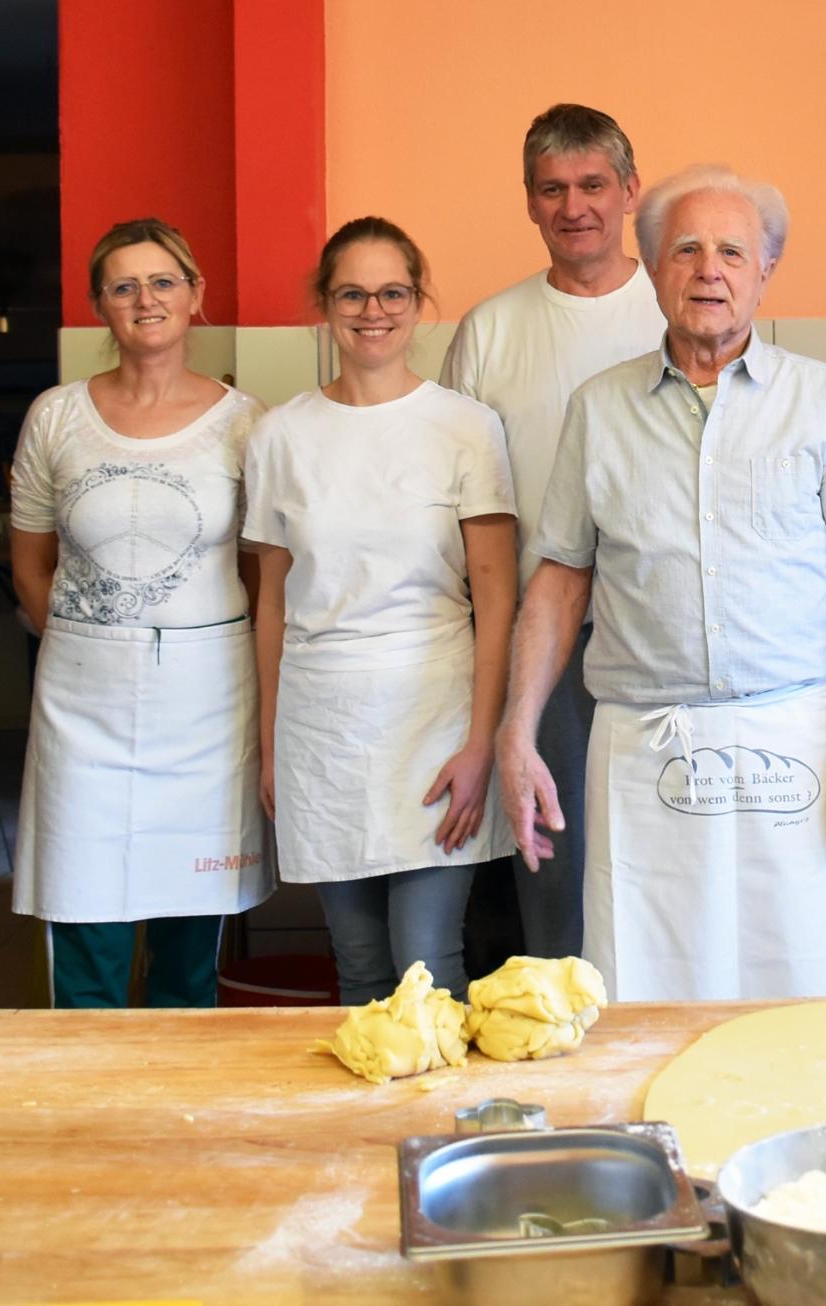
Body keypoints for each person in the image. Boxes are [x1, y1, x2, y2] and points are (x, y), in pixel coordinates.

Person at [497, 165, 826, 1002]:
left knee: (800, 979)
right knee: (649, 982)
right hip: (645, 744)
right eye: (685, 250)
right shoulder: (599, 408)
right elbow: (560, 580)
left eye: (731, 251)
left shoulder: (824, 400)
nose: (708, 270)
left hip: (796, 736)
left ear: (765, 271)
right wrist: (517, 730)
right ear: (652, 271)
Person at [244, 217, 518, 1006]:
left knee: (427, 967)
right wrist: (269, 746)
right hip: (321, 731)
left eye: (393, 291)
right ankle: (372, 1131)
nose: (374, 310)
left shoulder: (465, 425)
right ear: (325, 305)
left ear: (418, 301)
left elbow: (495, 597)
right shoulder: (280, 436)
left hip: (435, 718)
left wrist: (482, 743)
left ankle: (446, 1128)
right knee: (358, 968)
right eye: (353, 293)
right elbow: (272, 605)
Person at [9, 217, 273, 1008]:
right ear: (100, 306)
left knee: (190, 951)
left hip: (207, 712)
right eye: (123, 285)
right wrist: (95, 652)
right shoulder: (55, 417)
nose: (145, 299)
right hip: (81, 711)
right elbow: (30, 565)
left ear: (196, 296)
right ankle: (87, 1120)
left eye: (162, 281)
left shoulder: (248, 422)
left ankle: (175, 1123)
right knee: (83, 920)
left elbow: (264, 575)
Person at [441, 103, 666, 963]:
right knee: (555, 867)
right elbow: (457, 502)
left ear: (631, 192)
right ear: (530, 203)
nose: (574, 207)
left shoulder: (678, 304)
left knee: (655, 859)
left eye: (593, 185)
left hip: (659, 636)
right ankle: (558, 1037)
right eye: (553, 190)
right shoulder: (491, 330)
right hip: (545, 640)